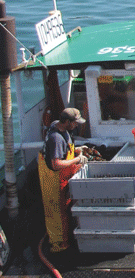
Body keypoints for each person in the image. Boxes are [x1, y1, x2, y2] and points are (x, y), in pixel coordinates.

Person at [38, 108, 88, 254]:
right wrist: (78, 159)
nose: (77, 125)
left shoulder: (59, 126)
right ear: (66, 122)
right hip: (53, 179)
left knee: (65, 209)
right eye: (75, 123)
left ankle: (66, 238)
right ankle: (59, 245)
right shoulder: (55, 138)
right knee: (57, 213)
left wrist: (77, 149)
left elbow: (63, 150)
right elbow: (56, 164)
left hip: (62, 177)